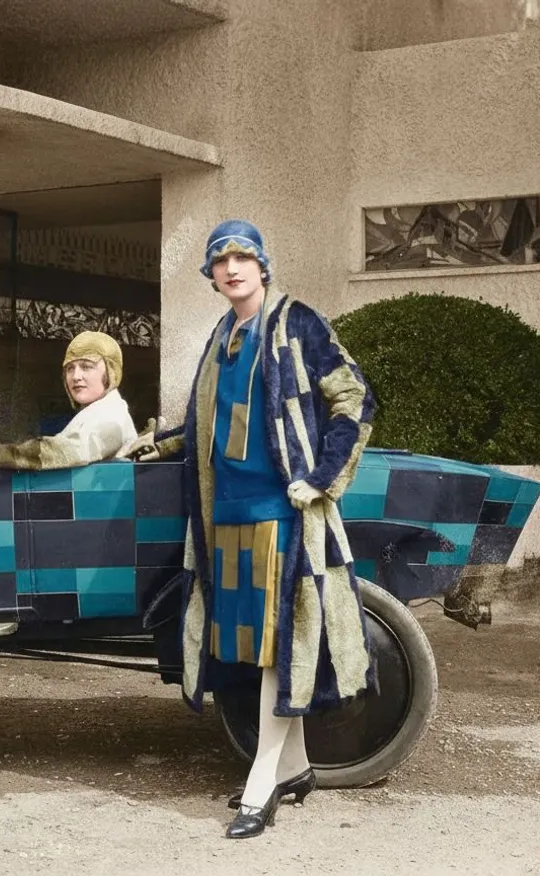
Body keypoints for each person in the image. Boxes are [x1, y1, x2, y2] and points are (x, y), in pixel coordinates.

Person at [173, 219, 376, 839]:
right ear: (211, 275)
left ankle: (262, 779)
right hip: (227, 516)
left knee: (278, 650)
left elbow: (355, 398)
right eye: (221, 261)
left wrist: (321, 477)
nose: (232, 268)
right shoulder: (222, 335)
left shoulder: (298, 322)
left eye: (242, 257)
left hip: (281, 515)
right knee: (256, 650)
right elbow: (207, 424)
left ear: (262, 265)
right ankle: (295, 768)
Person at [0, 330, 138, 477]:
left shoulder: (113, 418)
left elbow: (68, 450)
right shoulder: (97, 412)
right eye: (70, 368)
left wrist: (3, 455)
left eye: (86, 366)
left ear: (111, 372)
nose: (75, 376)